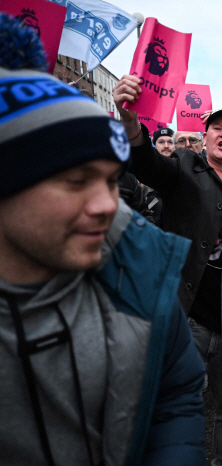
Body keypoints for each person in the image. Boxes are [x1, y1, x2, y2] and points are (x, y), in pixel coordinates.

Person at [0, 68, 205, 465]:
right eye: (77, 180)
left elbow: (176, 394)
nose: (108, 205)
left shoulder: (143, 266)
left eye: (112, 181)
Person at [113, 75, 222, 466]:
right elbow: (145, 161)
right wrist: (129, 122)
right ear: (205, 136)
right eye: (217, 129)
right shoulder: (182, 169)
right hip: (184, 313)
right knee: (178, 400)